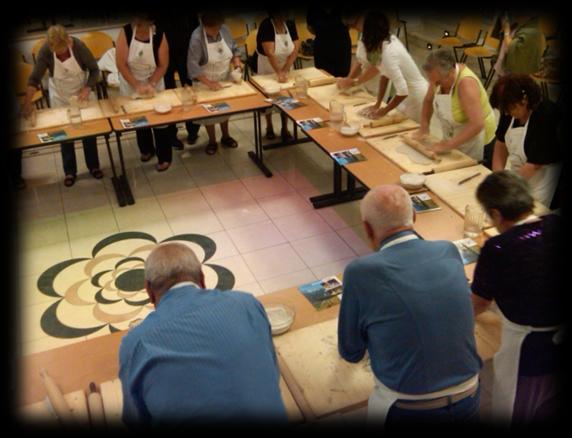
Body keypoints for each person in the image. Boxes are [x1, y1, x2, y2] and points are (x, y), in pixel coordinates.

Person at [338, 184, 482, 427]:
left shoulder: (360, 272)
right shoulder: (448, 250)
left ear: (367, 228)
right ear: (414, 217)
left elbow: (351, 351)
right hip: (470, 394)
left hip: (409, 408)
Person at [119, 242, 287, 426]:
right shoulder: (247, 303)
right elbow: (271, 369)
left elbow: (136, 420)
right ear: (202, 278)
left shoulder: (135, 343)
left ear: (149, 291)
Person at [472, 171, 564, 425]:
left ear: (497, 214)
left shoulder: (499, 247)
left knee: (513, 405)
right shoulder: (555, 224)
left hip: (528, 343)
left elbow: (479, 302)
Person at [22, 25, 103, 187]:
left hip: (81, 93)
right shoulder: (46, 51)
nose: (60, 54)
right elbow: (34, 79)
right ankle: (70, 171)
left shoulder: (79, 46)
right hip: (60, 95)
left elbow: (95, 70)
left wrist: (87, 88)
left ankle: (93, 166)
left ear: (68, 42)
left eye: (63, 50)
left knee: (88, 130)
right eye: (57, 52)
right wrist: (27, 102)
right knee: (64, 133)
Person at [489, 74, 562, 208]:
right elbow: (500, 145)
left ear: (525, 99)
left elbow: (535, 164)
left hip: (541, 179)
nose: (507, 113)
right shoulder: (509, 111)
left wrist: (508, 187)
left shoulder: (546, 114)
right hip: (518, 175)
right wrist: (497, 177)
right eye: (504, 110)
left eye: (511, 109)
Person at [416, 49, 496, 161]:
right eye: (432, 81)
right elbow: (428, 100)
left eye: (438, 82)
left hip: (479, 142)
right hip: (455, 137)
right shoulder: (437, 77)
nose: (434, 85)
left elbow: (477, 124)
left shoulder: (466, 84)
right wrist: (424, 125)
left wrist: (448, 145)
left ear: (451, 73)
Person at [116, 14, 172, 171]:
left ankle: (164, 157)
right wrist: (136, 85)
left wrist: (152, 83)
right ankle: (146, 149)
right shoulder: (126, 32)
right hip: (130, 81)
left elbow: (163, 64)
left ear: (150, 23)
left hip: (154, 80)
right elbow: (120, 64)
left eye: (142, 25)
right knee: (140, 119)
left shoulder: (159, 34)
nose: (139, 28)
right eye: (137, 24)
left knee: (160, 120)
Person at [357, 10, 428, 123]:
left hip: (418, 97)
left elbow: (403, 91)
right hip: (408, 95)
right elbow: (385, 75)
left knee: (409, 131)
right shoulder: (385, 42)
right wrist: (378, 104)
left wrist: (384, 111)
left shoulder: (389, 53)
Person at [187, 10, 243, 155]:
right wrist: (209, 83)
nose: (215, 32)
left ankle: (226, 136)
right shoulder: (196, 38)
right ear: (204, 25)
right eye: (211, 29)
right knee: (209, 113)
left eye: (217, 28)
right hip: (204, 81)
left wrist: (237, 64)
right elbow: (193, 65)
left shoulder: (225, 30)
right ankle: (212, 141)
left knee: (225, 109)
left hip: (223, 78)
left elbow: (234, 49)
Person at [157, 12, 202, 149]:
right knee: (168, 96)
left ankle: (193, 130)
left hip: (187, 53)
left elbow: (196, 28)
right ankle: (171, 134)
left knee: (190, 92)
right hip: (165, 55)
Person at [256, 8, 300, 141]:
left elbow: (296, 47)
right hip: (268, 67)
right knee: (268, 97)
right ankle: (269, 126)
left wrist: (286, 69)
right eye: (281, 13)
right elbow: (270, 52)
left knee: (286, 97)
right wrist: (279, 72)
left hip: (286, 64)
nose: (284, 16)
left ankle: (285, 128)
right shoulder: (266, 25)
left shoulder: (290, 24)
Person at [337, 8, 379, 93]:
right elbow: (360, 60)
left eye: (354, 24)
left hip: (377, 85)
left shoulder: (378, 34)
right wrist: (349, 78)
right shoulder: (365, 32)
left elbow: (376, 67)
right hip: (365, 83)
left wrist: (354, 82)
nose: (353, 28)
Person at [306, 7, 351, 78]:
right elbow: (310, 27)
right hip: (322, 47)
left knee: (342, 75)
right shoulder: (313, 7)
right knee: (323, 76)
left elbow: (349, 23)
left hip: (341, 45)